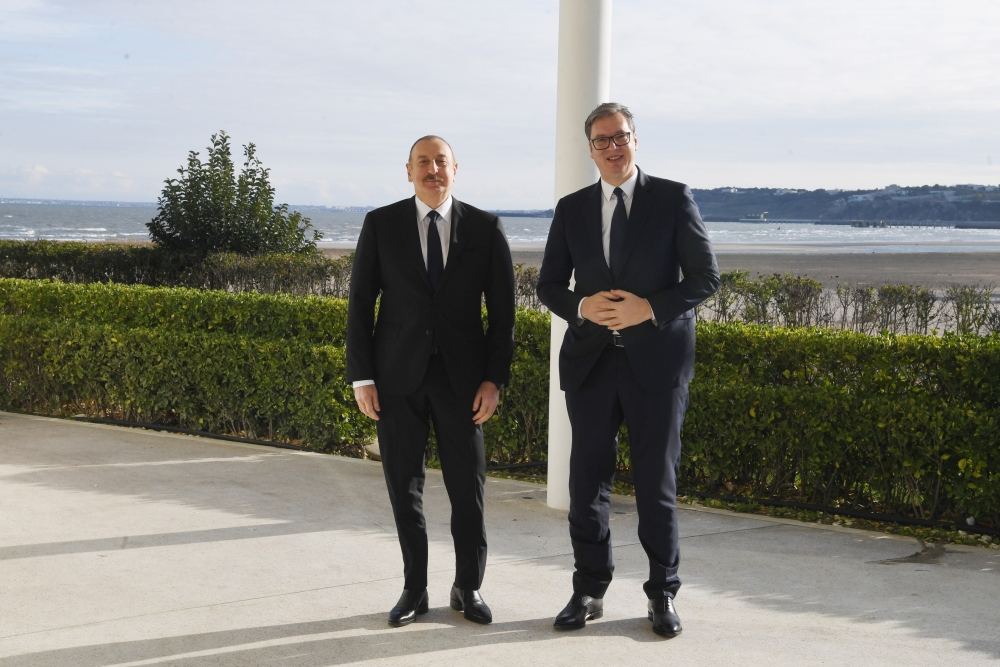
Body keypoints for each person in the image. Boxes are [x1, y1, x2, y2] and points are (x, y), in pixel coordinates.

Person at [537, 103, 720, 638]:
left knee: (655, 486)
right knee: (585, 484)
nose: (612, 147)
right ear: (590, 149)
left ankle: (663, 593)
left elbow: (706, 278)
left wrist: (650, 308)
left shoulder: (672, 198)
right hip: (591, 364)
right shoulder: (571, 208)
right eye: (602, 140)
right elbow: (549, 284)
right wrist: (580, 306)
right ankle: (589, 589)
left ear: (635, 140)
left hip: (656, 365)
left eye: (620, 137)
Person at [346, 135, 515, 627]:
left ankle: (469, 586)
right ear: (408, 171)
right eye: (423, 162)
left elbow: (503, 315)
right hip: (396, 379)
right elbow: (360, 303)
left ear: (455, 169)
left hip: (464, 384)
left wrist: (494, 379)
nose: (433, 169)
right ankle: (414, 589)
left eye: (441, 161)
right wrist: (362, 376)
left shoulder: (485, 227)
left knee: (469, 488)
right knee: (405, 488)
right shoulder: (381, 224)